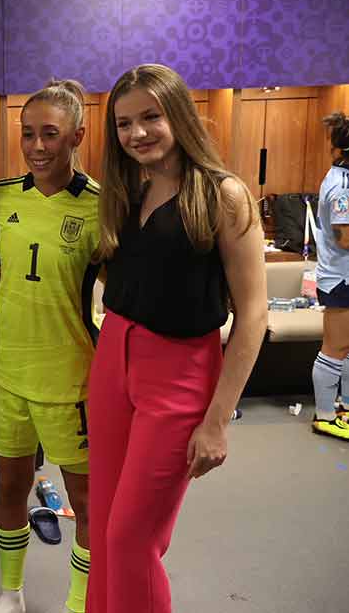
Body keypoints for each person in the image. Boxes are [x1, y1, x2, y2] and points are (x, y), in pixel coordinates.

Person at [87, 64, 267, 613]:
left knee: (132, 538)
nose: (137, 133)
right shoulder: (128, 192)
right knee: (104, 531)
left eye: (150, 117)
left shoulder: (222, 194)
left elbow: (254, 315)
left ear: (179, 116)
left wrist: (216, 421)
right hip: (113, 362)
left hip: (179, 376)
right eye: (123, 124)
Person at [0, 80, 100, 613]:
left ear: (77, 134)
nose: (36, 145)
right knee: (10, 490)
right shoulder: (0, 197)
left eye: (50, 134)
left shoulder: (103, 207)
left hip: (71, 379)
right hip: (8, 374)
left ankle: (79, 603)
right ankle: (12, 594)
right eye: (27, 133)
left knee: (87, 502)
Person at [310, 112, 349, 439]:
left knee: (347, 347)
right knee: (335, 347)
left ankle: (345, 409)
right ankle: (325, 415)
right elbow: (344, 237)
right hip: (339, 278)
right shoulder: (342, 185)